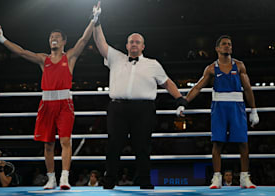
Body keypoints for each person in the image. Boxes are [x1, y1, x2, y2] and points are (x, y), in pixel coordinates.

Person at [0, 3, 101, 190]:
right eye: (51, 37)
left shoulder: (70, 57)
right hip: (46, 104)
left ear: (64, 41)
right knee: (48, 144)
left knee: (65, 141)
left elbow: (83, 39)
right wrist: (1, 39)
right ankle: (51, 179)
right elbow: (21, 52)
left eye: (56, 37)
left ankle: (64, 178)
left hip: (65, 103)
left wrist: (94, 19)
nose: (53, 39)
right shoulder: (43, 59)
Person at [92, 4, 188, 189]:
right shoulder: (116, 57)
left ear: (143, 46)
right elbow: (100, 42)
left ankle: (144, 180)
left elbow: (167, 82)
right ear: (127, 45)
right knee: (113, 145)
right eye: (131, 41)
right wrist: (97, 21)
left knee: (142, 146)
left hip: (144, 109)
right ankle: (110, 180)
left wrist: (180, 99)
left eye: (137, 42)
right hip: (117, 107)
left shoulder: (153, 64)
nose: (134, 44)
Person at [181, 35, 259, 189]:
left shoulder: (240, 66)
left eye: (229, 44)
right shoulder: (211, 68)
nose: (227, 46)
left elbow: (248, 89)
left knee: (243, 143)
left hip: (237, 106)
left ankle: (245, 177)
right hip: (219, 107)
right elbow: (198, 87)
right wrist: (184, 102)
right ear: (217, 48)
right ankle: (217, 177)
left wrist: (254, 110)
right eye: (224, 44)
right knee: (217, 143)